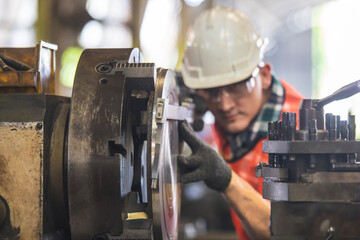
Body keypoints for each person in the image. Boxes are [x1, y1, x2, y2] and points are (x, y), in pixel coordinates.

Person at [177, 6, 304, 240]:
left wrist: (226, 180)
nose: (224, 105)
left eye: (237, 87)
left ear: (264, 75)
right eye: (212, 91)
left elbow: (288, 232)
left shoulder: (297, 135)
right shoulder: (242, 117)